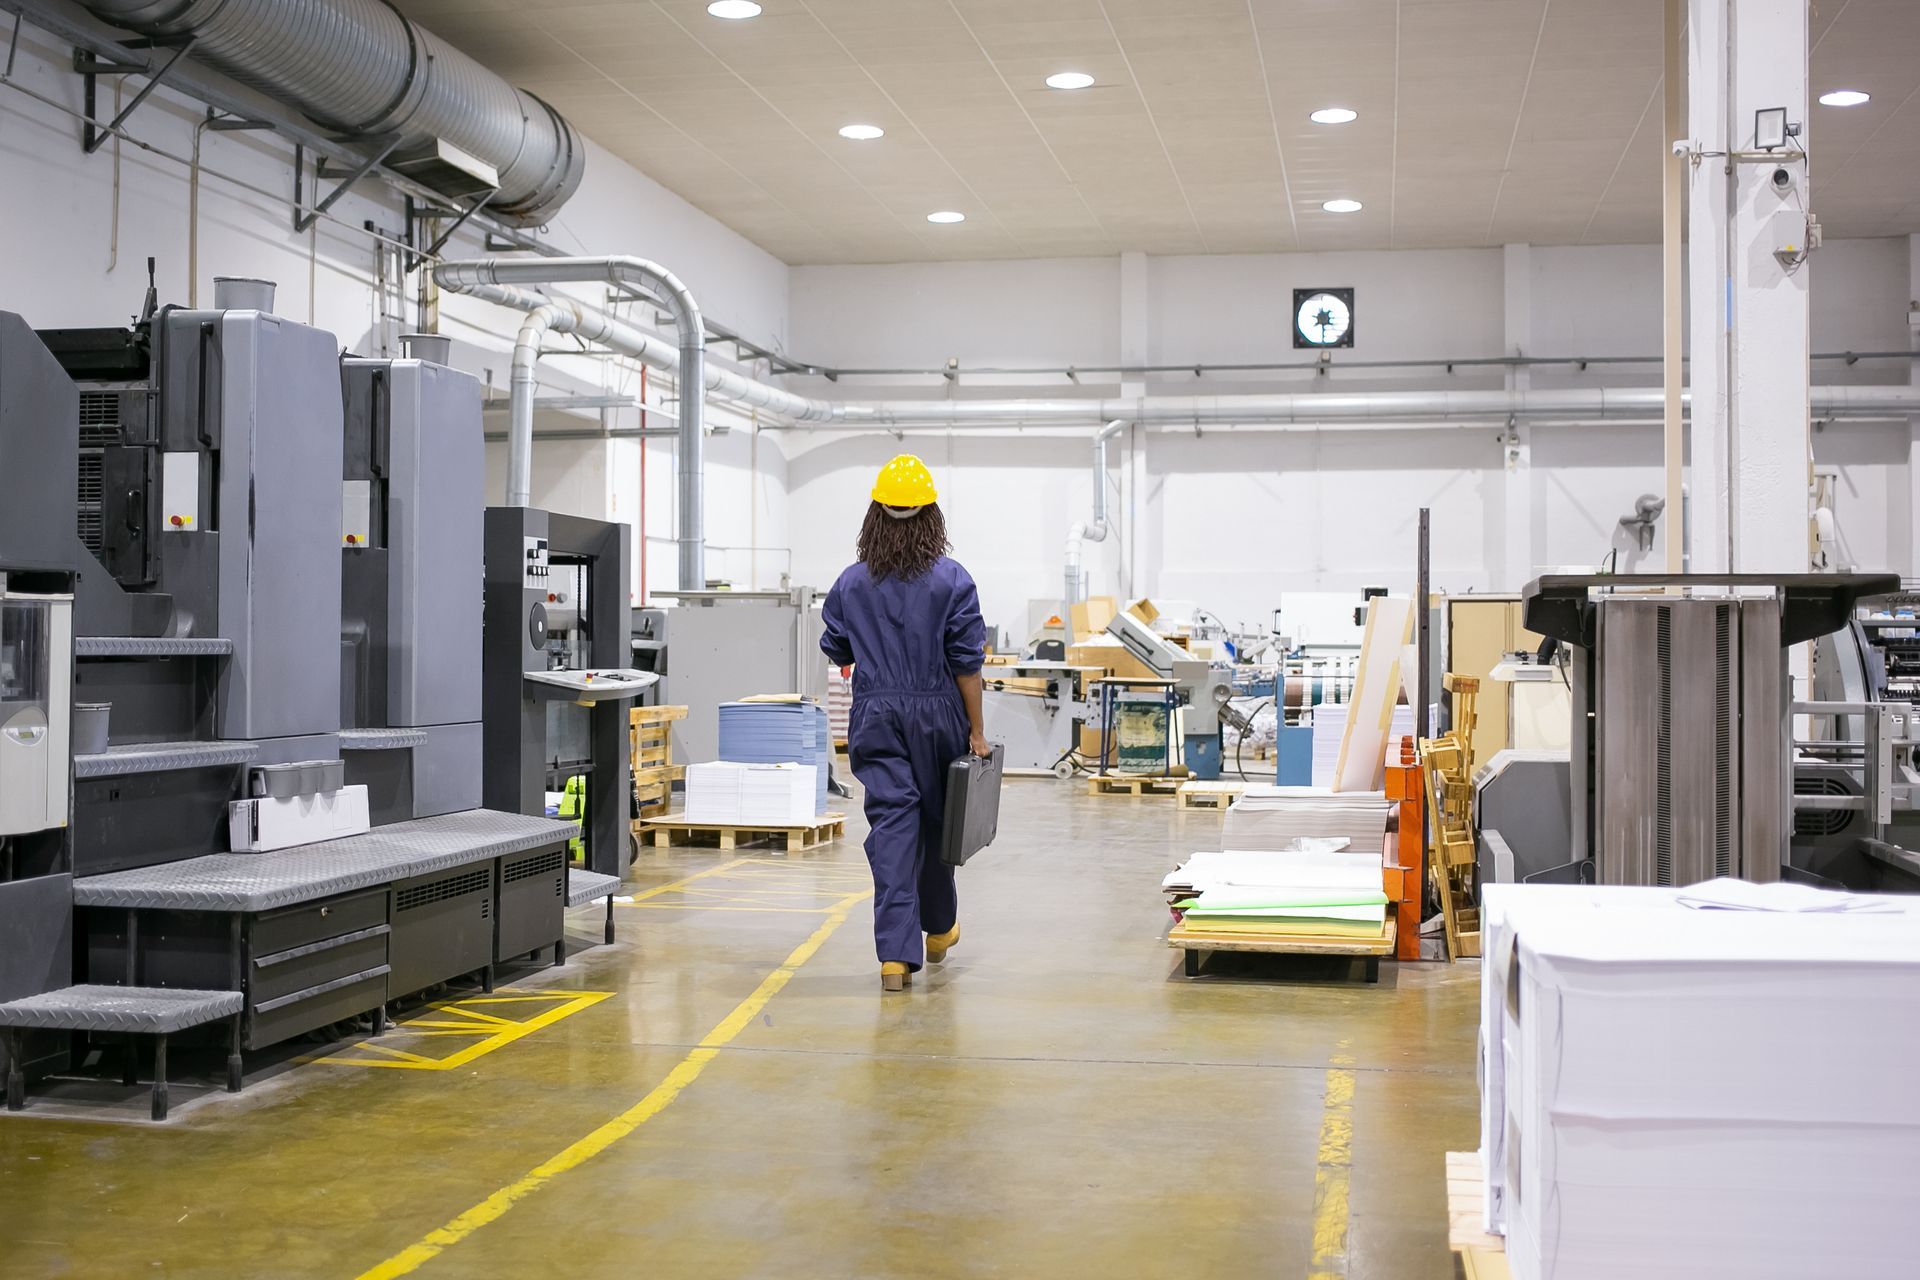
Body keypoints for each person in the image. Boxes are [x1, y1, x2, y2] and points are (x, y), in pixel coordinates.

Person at [821, 455, 991, 993]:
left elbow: (837, 648)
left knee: (894, 825)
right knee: (938, 822)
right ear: (930, 516)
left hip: (875, 712)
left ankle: (895, 957)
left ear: (874, 515)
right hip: (938, 710)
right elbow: (967, 663)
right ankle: (938, 928)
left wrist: (877, 661)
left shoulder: (850, 584)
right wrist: (977, 731)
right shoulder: (952, 580)